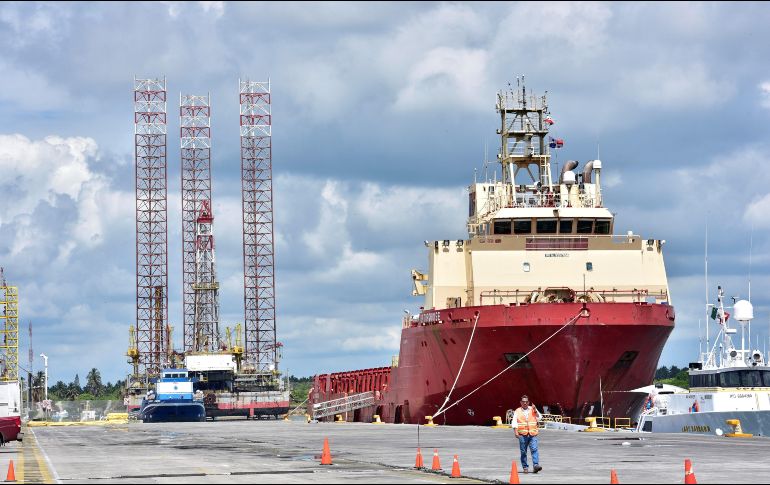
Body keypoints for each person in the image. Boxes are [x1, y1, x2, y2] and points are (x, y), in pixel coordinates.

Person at [513, 394, 542, 474]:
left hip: (532, 434)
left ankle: (536, 465)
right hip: (522, 434)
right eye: (523, 402)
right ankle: (525, 467)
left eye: (526, 402)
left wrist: (535, 410)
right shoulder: (517, 411)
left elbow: (539, 417)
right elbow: (514, 422)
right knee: (523, 451)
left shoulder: (532, 409)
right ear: (520, 402)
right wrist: (516, 432)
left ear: (528, 402)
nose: (525, 403)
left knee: (534, 449)